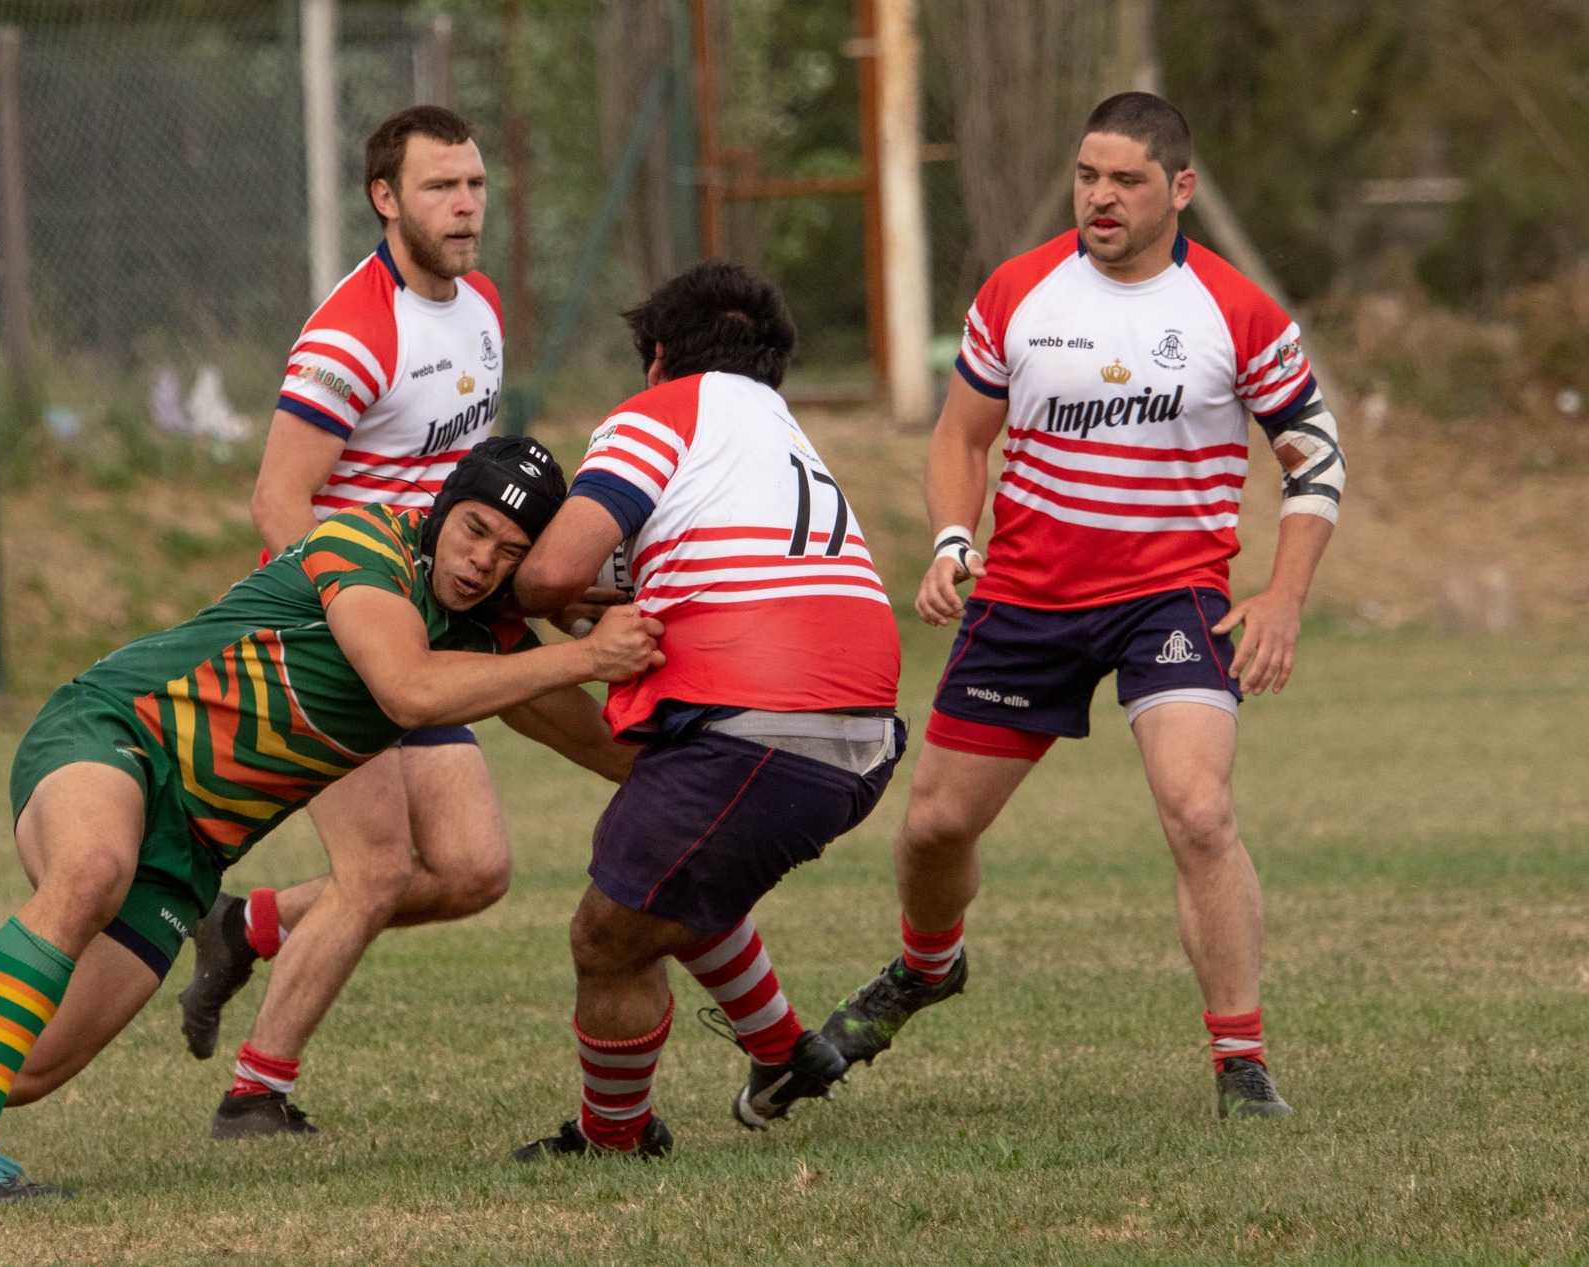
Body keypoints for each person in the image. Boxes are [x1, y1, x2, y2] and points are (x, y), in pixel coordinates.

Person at [0, 438, 659, 1205]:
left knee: (28, 1063)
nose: (483, 560)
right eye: (475, 529)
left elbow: (598, 745)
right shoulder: (366, 544)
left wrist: (716, 770)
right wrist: (585, 653)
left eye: (511, 553)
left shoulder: (491, 639)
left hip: (193, 847)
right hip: (115, 733)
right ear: (444, 508)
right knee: (91, 867)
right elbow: (407, 689)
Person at [821, 92, 1344, 1120]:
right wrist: (950, 538)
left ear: (1179, 189)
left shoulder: (1234, 310)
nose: (1100, 197)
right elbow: (961, 436)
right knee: (932, 829)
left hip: (1170, 598)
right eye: (1087, 176)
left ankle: (1241, 1062)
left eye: (1126, 181)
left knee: (1199, 812)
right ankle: (927, 964)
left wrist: (1284, 594)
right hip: (1026, 598)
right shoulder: (1019, 291)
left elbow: (1314, 458)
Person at [175, 104, 540, 1139]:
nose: (465, 205)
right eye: (440, 187)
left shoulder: (481, 304)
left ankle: (244, 926)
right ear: (385, 198)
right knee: (375, 869)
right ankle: (255, 1094)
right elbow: (276, 502)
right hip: (335, 635)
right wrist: (352, 621)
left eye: (474, 184)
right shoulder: (351, 332)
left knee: (471, 870)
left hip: (421, 626)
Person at [507, 261, 905, 1159]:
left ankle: (615, 1140)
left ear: (657, 357)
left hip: (761, 725)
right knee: (675, 877)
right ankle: (783, 1050)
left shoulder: (659, 413)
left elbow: (551, 574)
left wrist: (522, 587)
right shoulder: (781, 433)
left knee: (610, 933)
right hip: (861, 733)